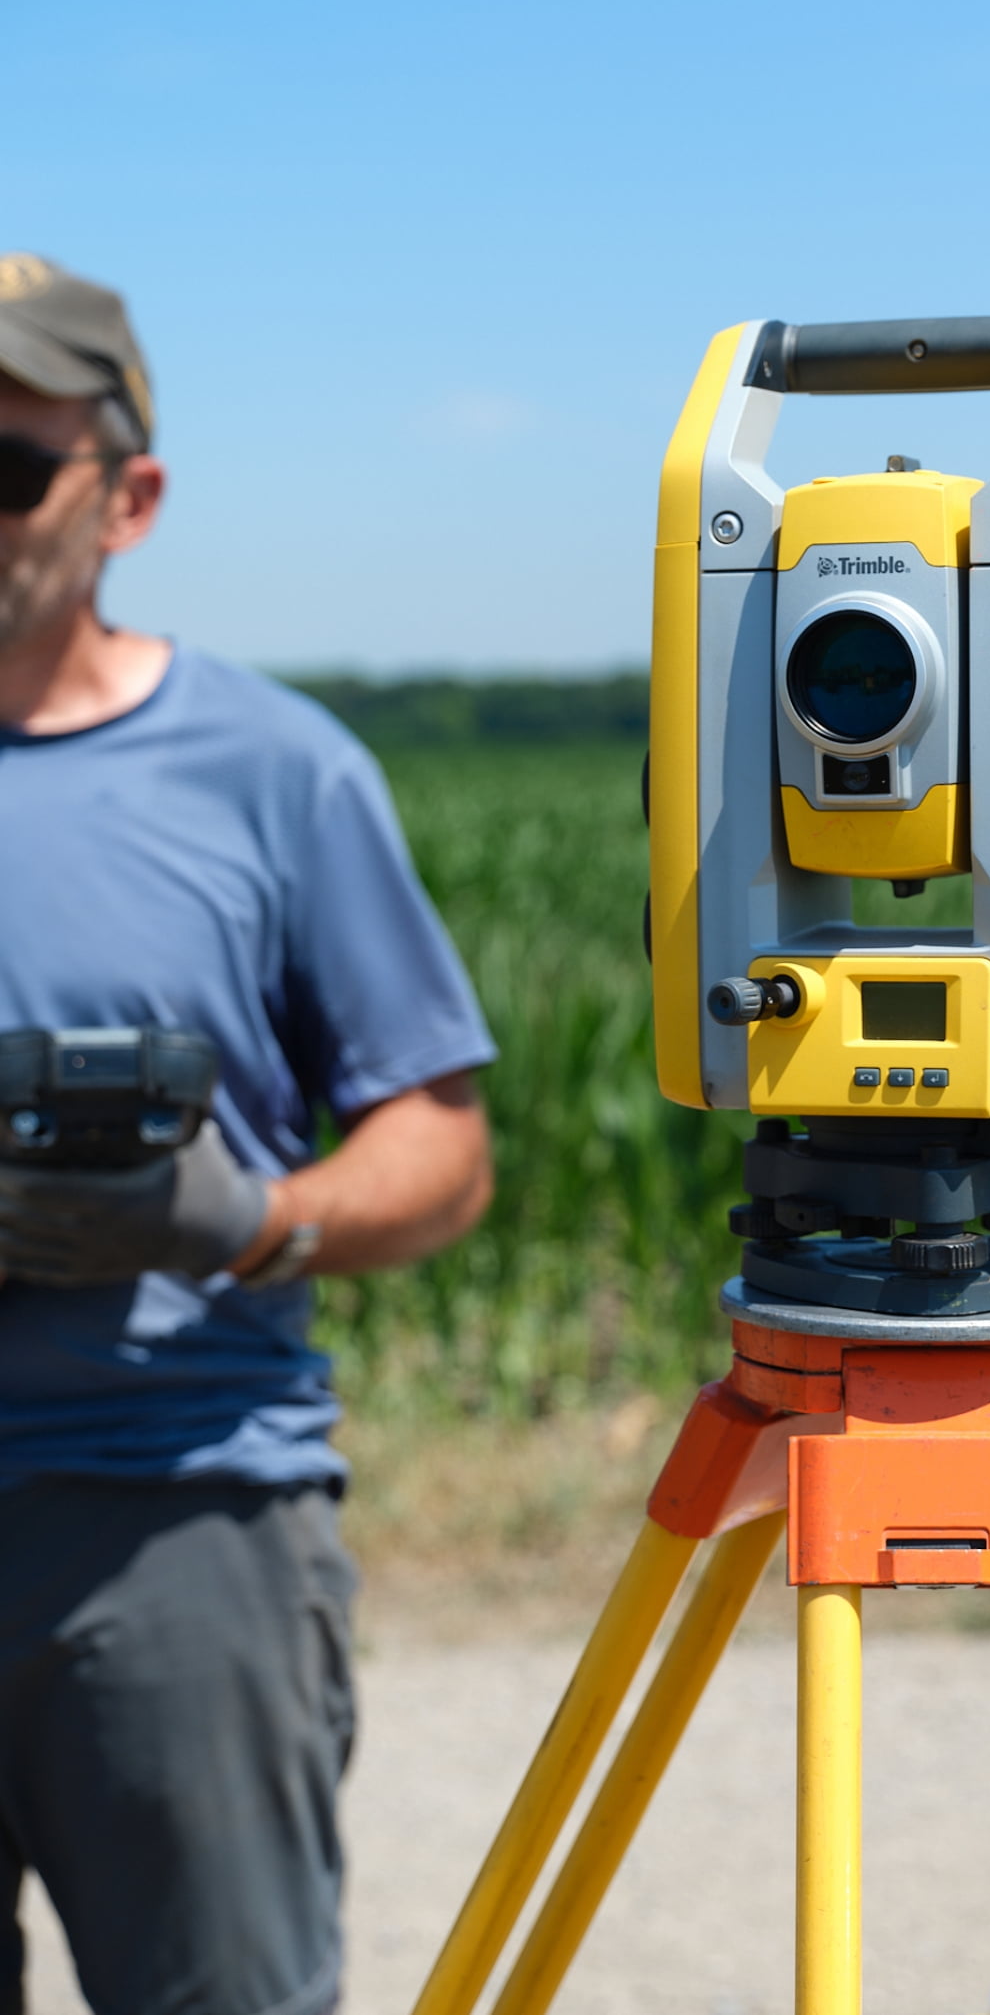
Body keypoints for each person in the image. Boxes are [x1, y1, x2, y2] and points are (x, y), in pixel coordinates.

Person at [0, 252, 497, 2015]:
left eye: (8, 464)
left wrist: (246, 1219)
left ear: (129, 496)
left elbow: (439, 1140)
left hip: (178, 1506)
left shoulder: (275, 774)